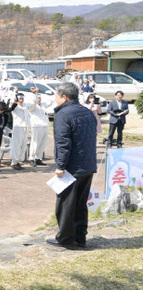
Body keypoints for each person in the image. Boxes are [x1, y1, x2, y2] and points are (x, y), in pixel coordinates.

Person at [47, 82, 97, 249]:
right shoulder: (87, 112)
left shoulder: (63, 115)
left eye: (56, 96)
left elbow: (63, 143)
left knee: (65, 204)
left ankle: (66, 239)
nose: (55, 99)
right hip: (88, 165)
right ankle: (80, 237)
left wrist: (60, 166)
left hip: (72, 167)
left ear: (64, 97)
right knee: (80, 203)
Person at [26, 89, 52, 167]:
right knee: (35, 143)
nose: (39, 99)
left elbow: (51, 102)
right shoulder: (32, 106)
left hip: (45, 125)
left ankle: (38, 158)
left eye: (40, 98)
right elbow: (32, 104)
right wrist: (35, 94)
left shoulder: (43, 104)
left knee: (43, 143)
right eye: (38, 98)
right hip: (37, 125)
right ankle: (32, 158)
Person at [9, 93, 30, 170]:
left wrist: (35, 94)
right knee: (16, 145)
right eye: (20, 99)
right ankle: (13, 162)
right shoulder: (15, 106)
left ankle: (18, 161)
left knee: (23, 145)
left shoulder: (25, 106)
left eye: (22, 99)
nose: (21, 100)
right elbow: (10, 108)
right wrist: (14, 102)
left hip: (25, 127)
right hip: (18, 127)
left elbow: (33, 104)